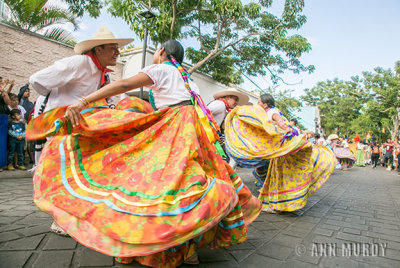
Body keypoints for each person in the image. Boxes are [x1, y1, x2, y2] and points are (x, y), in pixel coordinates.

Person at [27, 40, 261, 267]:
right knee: (184, 183)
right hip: (193, 129)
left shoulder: (160, 69)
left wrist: (83, 102)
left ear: (160, 51)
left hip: (173, 126)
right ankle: (189, 249)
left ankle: (156, 243)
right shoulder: (188, 78)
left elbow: (123, 86)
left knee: (161, 185)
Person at [29, 25, 134, 236]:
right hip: (61, 126)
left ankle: (74, 214)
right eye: (112, 48)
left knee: (79, 173)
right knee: (60, 173)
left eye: (117, 48)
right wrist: (58, 105)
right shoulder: (79, 63)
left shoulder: (102, 74)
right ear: (97, 50)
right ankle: (59, 220)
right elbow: (37, 80)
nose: (117, 53)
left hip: (80, 129)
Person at [224, 93, 336, 213]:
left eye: (259, 102)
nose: (257, 105)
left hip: (282, 152)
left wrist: (282, 125)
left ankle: (278, 204)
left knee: (279, 177)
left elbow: (278, 119)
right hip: (280, 153)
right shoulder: (267, 112)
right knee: (276, 176)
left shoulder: (272, 112)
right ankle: (278, 203)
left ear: (265, 104)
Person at [208, 90, 249, 168]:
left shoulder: (224, 107)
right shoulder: (220, 105)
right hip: (208, 136)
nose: (236, 102)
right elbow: (203, 112)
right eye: (235, 100)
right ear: (228, 98)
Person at [0, 78, 13, 172]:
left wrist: (4, 91)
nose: (2, 83)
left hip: (2, 117)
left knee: (2, 141)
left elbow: (9, 103)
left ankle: (1, 164)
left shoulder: (3, 91)